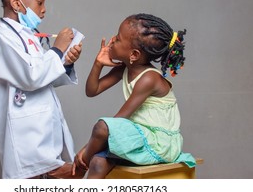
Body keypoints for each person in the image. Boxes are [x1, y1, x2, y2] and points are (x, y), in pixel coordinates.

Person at [0, 0, 85, 179]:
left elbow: (44, 78)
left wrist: (65, 62)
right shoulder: (4, 39)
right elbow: (31, 77)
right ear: (16, 3)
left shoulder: (28, 35)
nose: (44, 9)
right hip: (27, 147)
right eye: (40, 2)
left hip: (44, 139)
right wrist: (57, 49)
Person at [73, 13, 195, 179]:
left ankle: (75, 173)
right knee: (98, 162)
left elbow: (119, 120)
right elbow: (92, 90)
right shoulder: (126, 68)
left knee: (102, 126)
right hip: (141, 137)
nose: (113, 40)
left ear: (134, 55)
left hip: (159, 143)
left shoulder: (149, 78)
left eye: (118, 39)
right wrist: (98, 63)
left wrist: (86, 149)